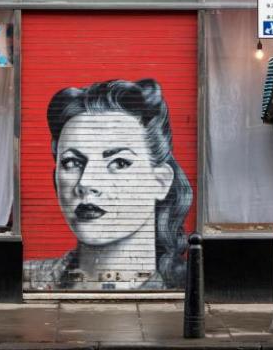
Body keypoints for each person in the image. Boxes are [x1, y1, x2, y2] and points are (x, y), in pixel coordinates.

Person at [25, 78, 192, 290]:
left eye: (119, 163)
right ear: (55, 179)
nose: (86, 182)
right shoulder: (27, 280)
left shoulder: (189, 284)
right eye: (72, 162)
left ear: (160, 182)